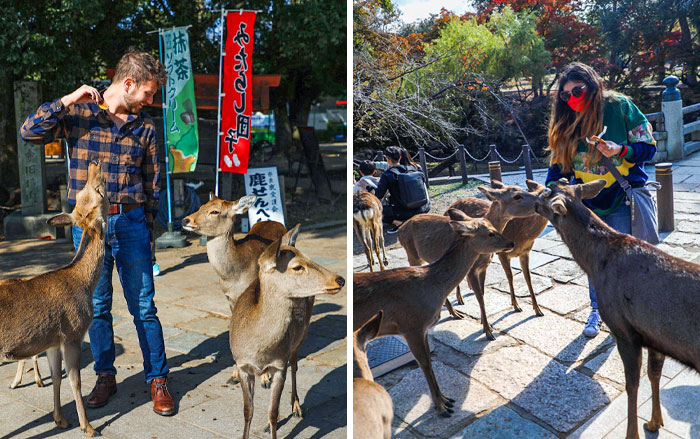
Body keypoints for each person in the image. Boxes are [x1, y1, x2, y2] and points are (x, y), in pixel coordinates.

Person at [20, 51, 175, 415]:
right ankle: (105, 375)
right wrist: (67, 99)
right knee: (98, 307)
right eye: (149, 94)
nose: (151, 101)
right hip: (89, 229)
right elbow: (30, 132)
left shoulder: (147, 127)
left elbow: (154, 187)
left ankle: (158, 379)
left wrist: (149, 235)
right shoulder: (79, 115)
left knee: (144, 307)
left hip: (132, 223)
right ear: (128, 84)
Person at [545, 62, 657, 337]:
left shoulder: (620, 107)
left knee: (627, 260)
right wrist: (550, 189)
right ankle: (599, 310)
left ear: (593, 86)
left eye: (578, 91)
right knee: (595, 262)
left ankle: (636, 312)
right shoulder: (567, 120)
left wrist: (620, 149)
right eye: (565, 94)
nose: (572, 99)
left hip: (622, 197)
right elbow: (560, 166)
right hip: (587, 205)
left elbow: (649, 150)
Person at [374, 146, 430, 233]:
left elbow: (378, 196)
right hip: (422, 208)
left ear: (387, 159)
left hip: (402, 212)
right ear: (400, 157)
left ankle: (399, 223)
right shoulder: (414, 168)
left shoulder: (388, 174)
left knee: (376, 209)